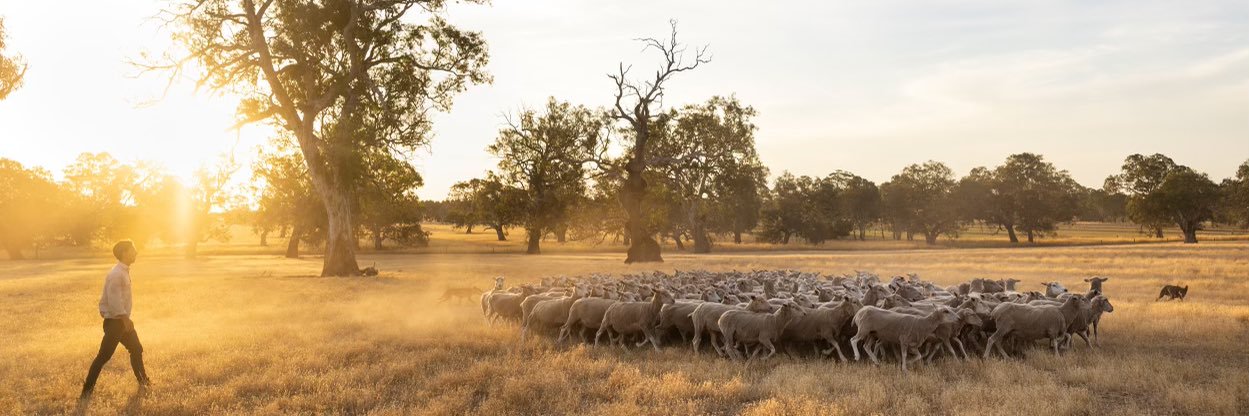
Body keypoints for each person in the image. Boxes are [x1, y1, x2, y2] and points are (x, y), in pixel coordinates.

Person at [80, 240, 150, 399]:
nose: (136, 252)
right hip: (116, 323)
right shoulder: (117, 274)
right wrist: (125, 320)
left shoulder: (122, 271)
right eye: (133, 250)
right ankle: (86, 391)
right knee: (103, 357)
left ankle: (144, 381)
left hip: (120, 321)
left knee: (136, 349)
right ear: (125, 253)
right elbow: (114, 300)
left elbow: (110, 299)